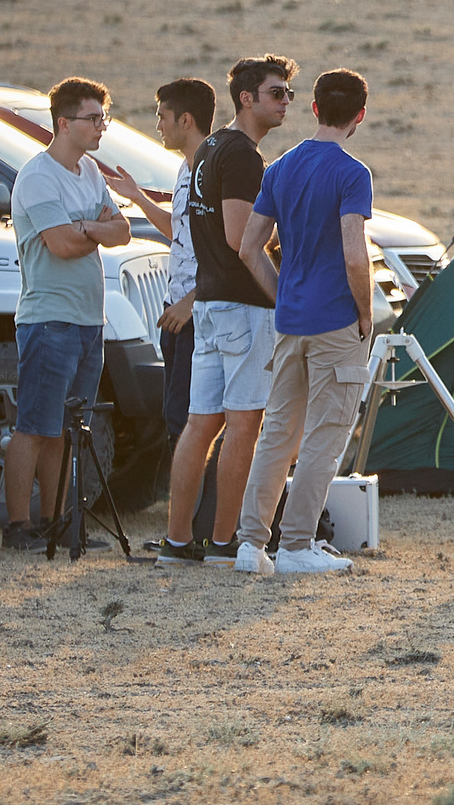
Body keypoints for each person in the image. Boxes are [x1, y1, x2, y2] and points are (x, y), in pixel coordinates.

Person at [232, 69, 376, 575]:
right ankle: (295, 545)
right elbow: (355, 256)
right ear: (359, 115)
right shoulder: (353, 173)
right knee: (324, 434)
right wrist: (365, 312)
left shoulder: (281, 168)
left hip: (290, 322)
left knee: (278, 434)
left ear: (313, 107)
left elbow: (249, 247)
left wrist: (282, 298)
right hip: (335, 322)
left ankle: (251, 545)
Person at [0, 77, 133, 552]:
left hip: (87, 321)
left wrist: (87, 227)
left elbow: (122, 232)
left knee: (64, 429)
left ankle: (55, 521)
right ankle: (18, 528)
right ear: (63, 123)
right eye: (92, 119)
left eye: (103, 118)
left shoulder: (90, 173)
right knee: (34, 425)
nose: (101, 127)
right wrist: (93, 230)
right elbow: (59, 244)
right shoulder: (37, 177)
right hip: (48, 319)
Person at [170, 56, 295, 562]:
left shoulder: (209, 148)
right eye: (275, 92)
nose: (285, 101)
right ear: (247, 98)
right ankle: (223, 543)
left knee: (201, 422)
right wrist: (283, 297)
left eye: (288, 93)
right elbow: (241, 238)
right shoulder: (242, 154)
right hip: (242, 308)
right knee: (244, 424)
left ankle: (177, 542)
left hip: (211, 305)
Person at [125, 78, 213, 564]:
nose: (156, 123)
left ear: (185, 119)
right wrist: (137, 199)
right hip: (177, 313)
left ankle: (190, 535)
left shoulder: (210, 170)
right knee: (177, 422)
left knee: (191, 425)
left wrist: (192, 302)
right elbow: (181, 233)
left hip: (195, 315)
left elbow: (229, 252)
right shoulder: (184, 168)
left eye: (161, 114)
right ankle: (183, 532)